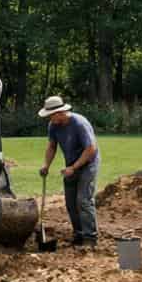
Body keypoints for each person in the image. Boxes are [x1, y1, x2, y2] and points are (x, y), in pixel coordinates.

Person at [37, 95, 100, 247]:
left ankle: (90, 238)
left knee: (83, 200)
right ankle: (79, 234)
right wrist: (46, 165)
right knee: (71, 202)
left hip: (88, 164)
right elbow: (52, 146)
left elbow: (91, 149)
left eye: (50, 115)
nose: (49, 119)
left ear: (60, 113)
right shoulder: (53, 126)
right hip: (71, 165)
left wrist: (74, 167)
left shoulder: (79, 123)